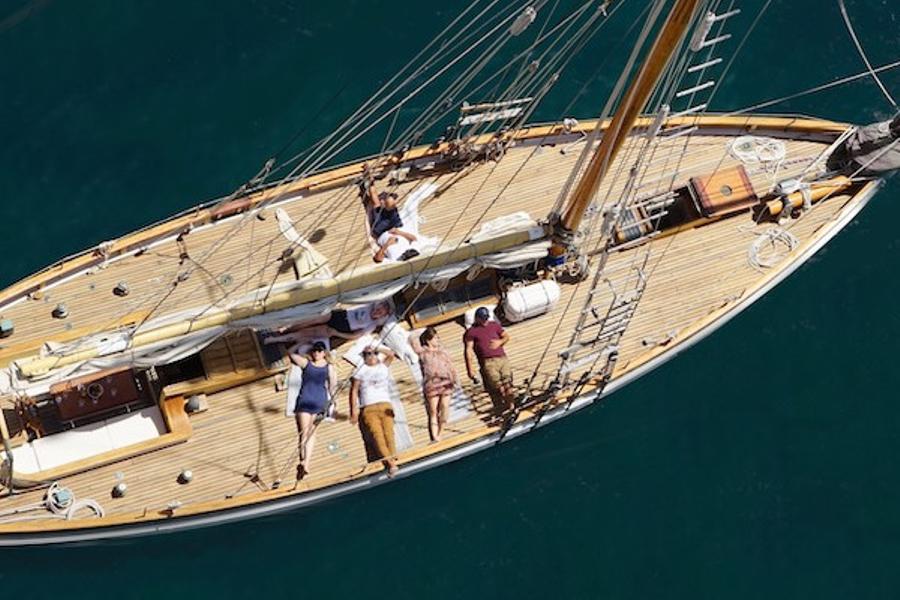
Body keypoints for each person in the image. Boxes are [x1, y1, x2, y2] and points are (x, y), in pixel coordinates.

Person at [288, 341, 337, 480]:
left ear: (324, 353)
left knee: (311, 431)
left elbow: (332, 385)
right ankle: (303, 460)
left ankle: (306, 463)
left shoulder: (329, 367)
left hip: (318, 401)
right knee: (304, 431)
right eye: (315, 350)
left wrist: (333, 401)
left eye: (319, 351)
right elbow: (291, 353)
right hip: (306, 399)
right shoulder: (306, 363)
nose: (317, 353)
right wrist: (302, 342)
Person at [349, 345, 400, 476]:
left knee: (389, 434)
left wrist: (378, 348)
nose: (371, 356)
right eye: (368, 354)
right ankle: (390, 463)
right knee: (377, 435)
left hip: (385, 404)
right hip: (368, 406)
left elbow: (392, 354)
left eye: (373, 354)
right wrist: (353, 410)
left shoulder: (383, 366)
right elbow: (354, 391)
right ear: (363, 357)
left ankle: (392, 458)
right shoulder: (360, 371)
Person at [411, 326, 458, 442]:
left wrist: (454, 377)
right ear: (428, 340)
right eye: (435, 338)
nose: (437, 340)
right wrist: (422, 329)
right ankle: (435, 436)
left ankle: (441, 431)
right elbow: (411, 339)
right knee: (433, 411)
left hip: (446, 381)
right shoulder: (423, 352)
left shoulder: (442, 351)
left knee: (445, 407)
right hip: (432, 383)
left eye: (438, 338)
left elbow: (450, 364)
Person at [463, 307, 514, 412]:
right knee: (498, 386)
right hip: (488, 362)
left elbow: (506, 336)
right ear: (477, 318)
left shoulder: (494, 325)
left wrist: (499, 342)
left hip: (502, 358)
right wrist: (470, 368)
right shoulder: (472, 332)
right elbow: (468, 350)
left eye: (486, 318)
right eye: (483, 318)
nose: (485, 321)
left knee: (508, 383)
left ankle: (511, 406)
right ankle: (503, 406)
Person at [360, 178, 419, 263]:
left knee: (375, 203)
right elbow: (414, 239)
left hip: (381, 231)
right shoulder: (412, 250)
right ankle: (385, 199)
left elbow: (378, 259)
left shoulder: (394, 259)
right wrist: (399, 233)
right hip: (395, 226)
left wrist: (386, 245)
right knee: (390, 202)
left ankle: (370, 181)